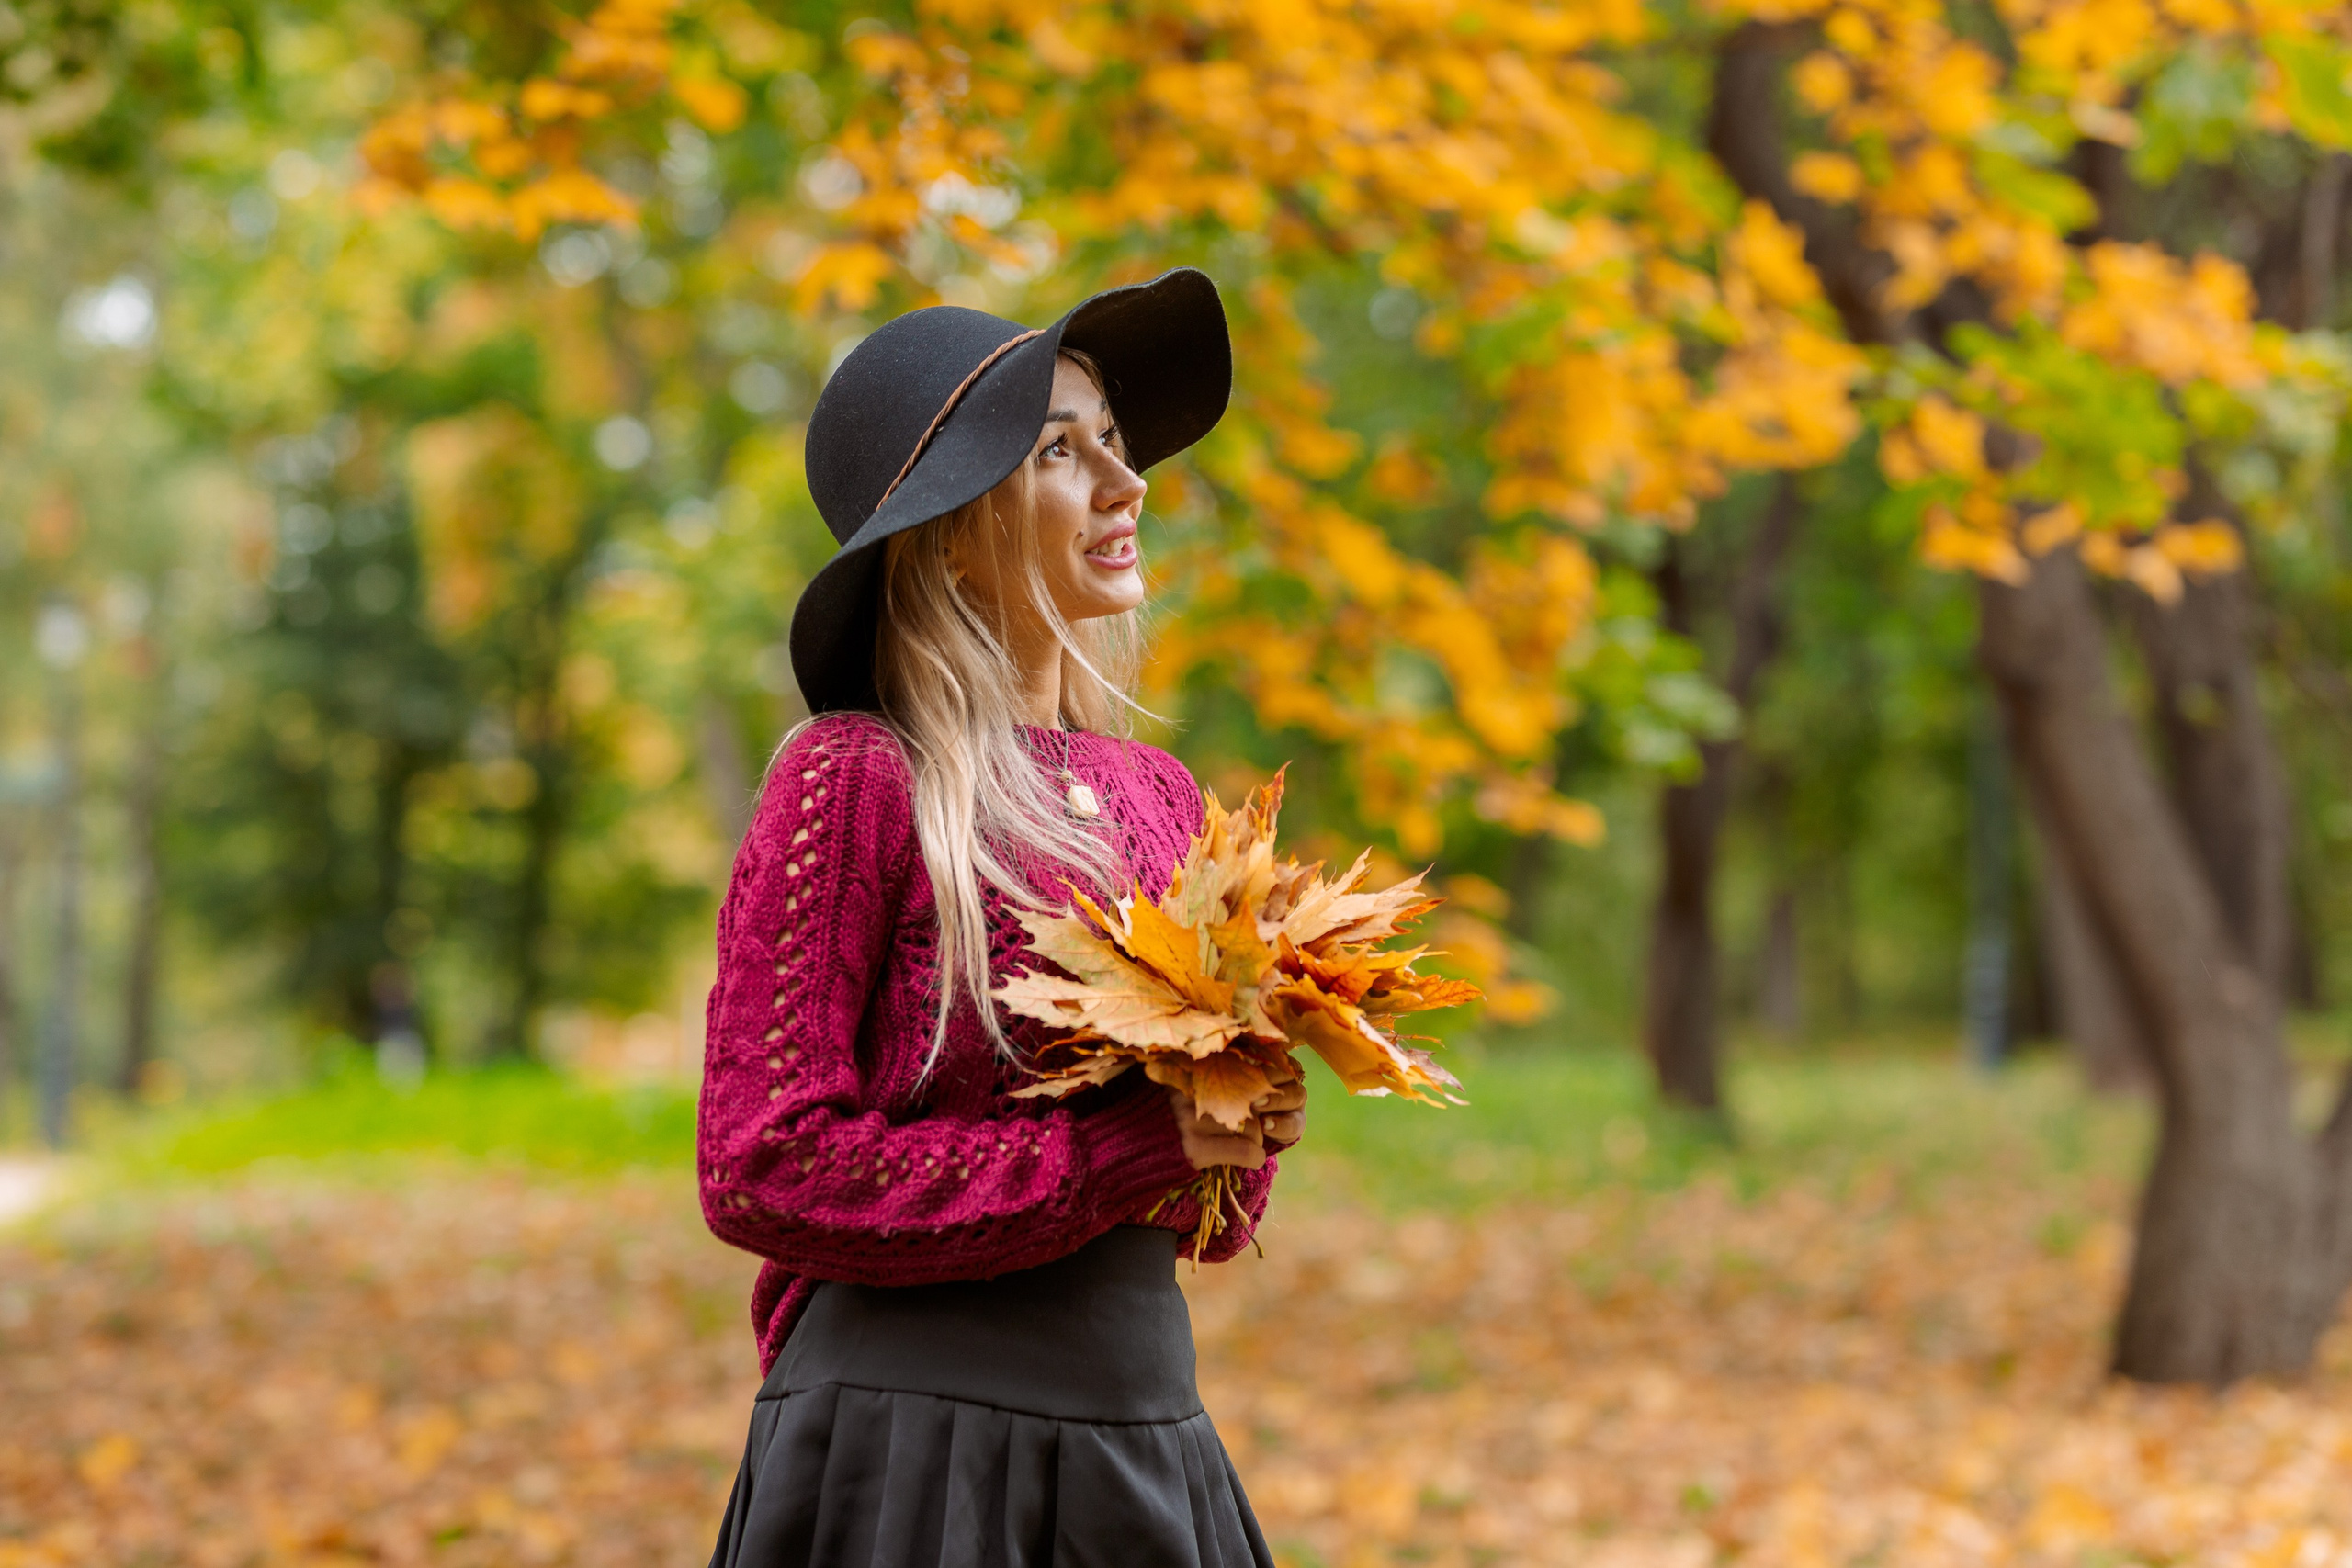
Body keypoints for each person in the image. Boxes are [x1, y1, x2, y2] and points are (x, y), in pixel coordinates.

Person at [699, 267, 1306, 1566]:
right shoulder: (858, 776)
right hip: (911, 1446)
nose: (1123, 484)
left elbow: (1206, 1221)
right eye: (1056, 452)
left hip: (1142, 1422)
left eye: (1115, 444)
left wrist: (1236, 1131)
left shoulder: (1162, 796)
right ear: (948, 525)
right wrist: (1116, 1158)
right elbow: (761, 1158)